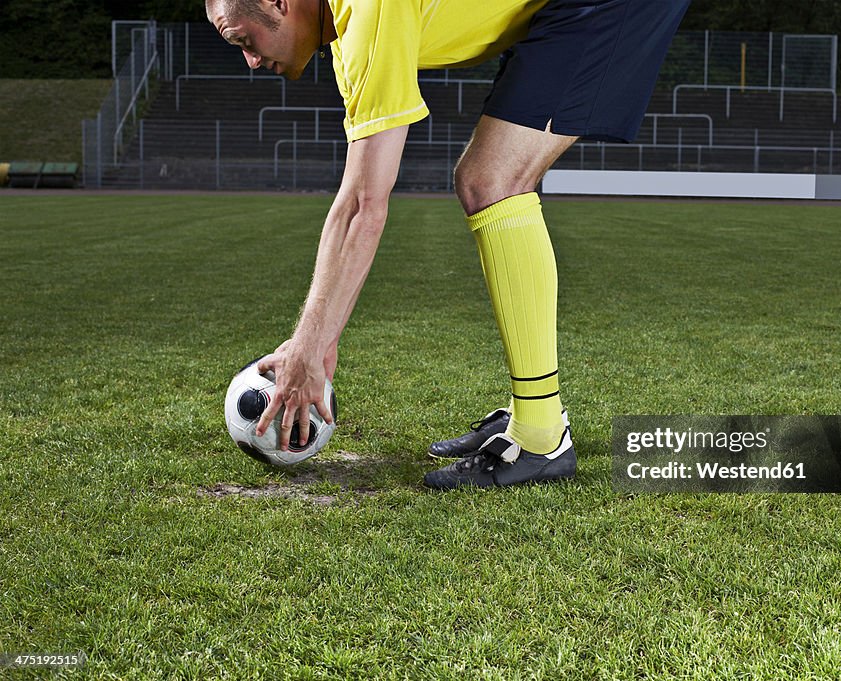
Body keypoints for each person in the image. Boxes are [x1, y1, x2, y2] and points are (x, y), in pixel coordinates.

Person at [206, 0, 691, 489]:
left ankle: (542, 437)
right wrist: (321, 339)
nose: (250, 60)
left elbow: (362, 206)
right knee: (487, 180)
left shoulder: (366, 10)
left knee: (494, 181)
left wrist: (308, 349)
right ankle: (535, 415)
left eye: (244, 40)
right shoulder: (348, 27)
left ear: (278, 3)